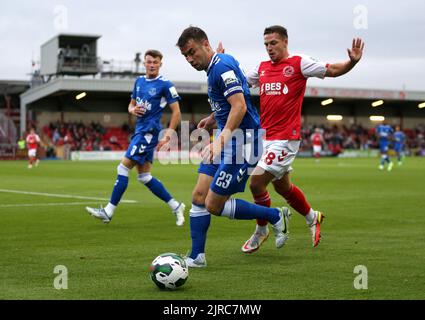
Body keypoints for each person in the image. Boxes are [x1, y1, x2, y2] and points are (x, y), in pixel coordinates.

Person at [238, 25, 364, 252]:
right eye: (266, 44)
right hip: (266, 136)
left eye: (273, 43)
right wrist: (223, 61)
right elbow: (239, 85)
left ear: (285, 42)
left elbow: (332, 70)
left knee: (256, 182)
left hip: (286, 138)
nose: (269, 48)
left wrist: (351, 63)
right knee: (283, 188)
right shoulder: (262, 68)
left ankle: (262, 229)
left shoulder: (299, 63)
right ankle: (312, 217)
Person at [177, 26, 291, 267]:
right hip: (228, 138)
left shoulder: (220, 67)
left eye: (192, 52)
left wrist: (219, 141)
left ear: (205, 44)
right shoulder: (219, 63)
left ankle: (274, 215)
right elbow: (230, 101)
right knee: (198, 195)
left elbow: (239, 106)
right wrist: (212, 118)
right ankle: (197, 256)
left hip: (244, 142)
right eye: (185, 56)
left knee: (213, 205)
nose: (189, 59)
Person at [86, 50, 186, 226]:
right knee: (144, 176)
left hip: (149, 131)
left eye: (155, 62)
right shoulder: (139, 81)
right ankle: (176, 206)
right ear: (145, 63)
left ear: (160, 64)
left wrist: (169, 133)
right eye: (149, 62)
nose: (152, 65)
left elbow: (177, 111)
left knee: (123, 168)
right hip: (140, 129)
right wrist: (132, 110)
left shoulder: (165, 84)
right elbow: (131, 105)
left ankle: (108, 211)